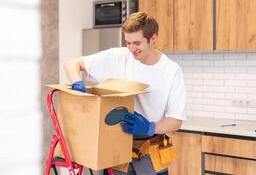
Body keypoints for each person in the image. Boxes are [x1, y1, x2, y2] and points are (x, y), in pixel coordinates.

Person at [64, 12, 186, 175]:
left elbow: (176, 121)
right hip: (117, 153)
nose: (132, 49)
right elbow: (72, 64)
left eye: (137, 43)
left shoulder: (171, 71)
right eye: (128, 43)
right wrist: (76, 82)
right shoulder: (118, 57)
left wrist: (150, 127)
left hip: (152, 154)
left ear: (153, 38)